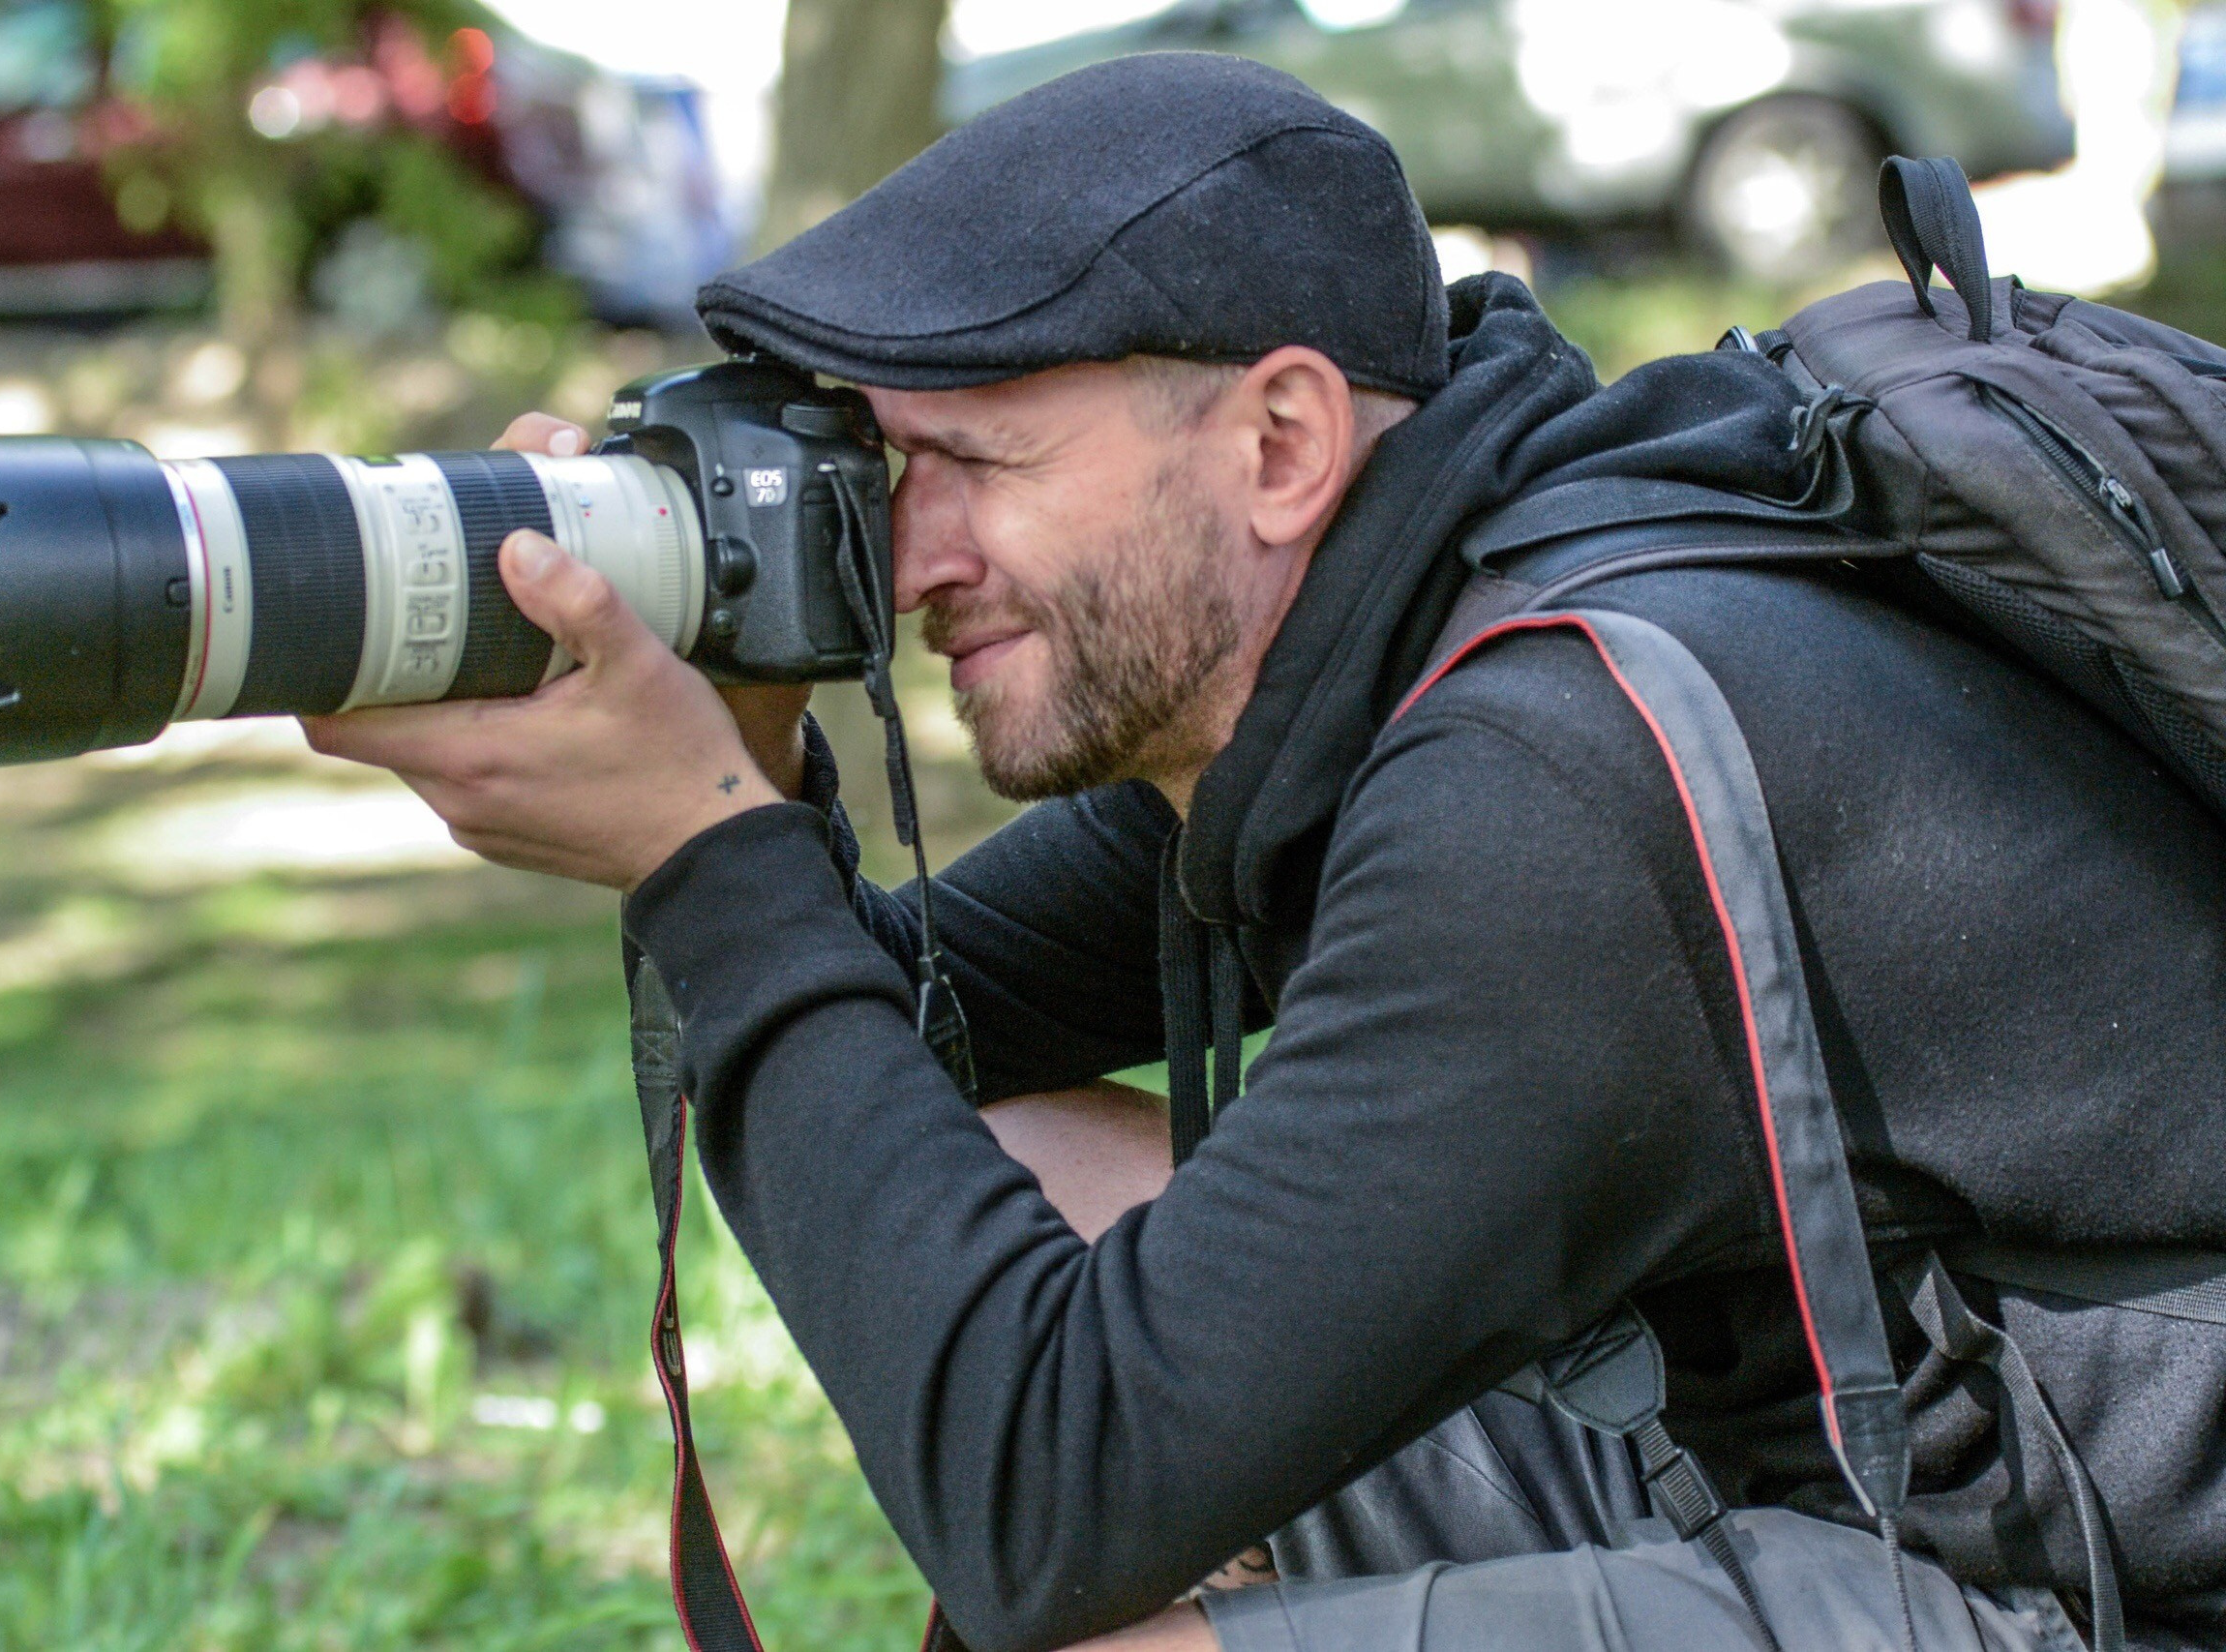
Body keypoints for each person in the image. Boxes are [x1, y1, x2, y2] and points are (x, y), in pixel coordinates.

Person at [300, 53, 2226, 1652]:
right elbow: (894, 1049)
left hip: (2095, 1580)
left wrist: (700, 862)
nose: (911, 562)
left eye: (974, 463)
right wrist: (740, 777)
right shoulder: (1368, 656)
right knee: (998, 1158)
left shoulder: (1542, 783)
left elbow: (1042, 1502)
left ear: (1281, 441)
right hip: (1834, 1458)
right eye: (888, 477)